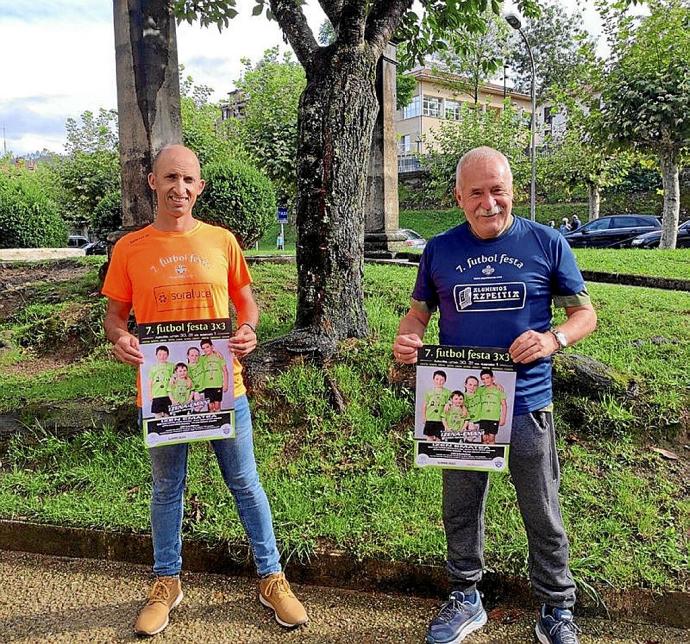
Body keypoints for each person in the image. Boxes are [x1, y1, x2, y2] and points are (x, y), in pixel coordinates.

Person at [393, 146, 597, 644]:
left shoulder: (547, 243)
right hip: (460, 406)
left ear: (512, 191)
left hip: (527, 403)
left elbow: (584, 314)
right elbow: (419, 313)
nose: (489, 203)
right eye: (477, 193)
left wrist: (554, 339)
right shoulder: (439, 250)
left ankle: (555, 607)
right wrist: (409, 339)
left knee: (542, 509)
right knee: (460, 506)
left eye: (498, 190)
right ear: (459, 197)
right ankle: (465, 596)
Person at [102, 144, 307, 636]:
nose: (180, 188)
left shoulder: (221, 240)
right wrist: (122, 339)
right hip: (163, 390)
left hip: (225, 387)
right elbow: (114, 317)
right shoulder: (130, 248)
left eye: (189, 180)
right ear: (152, 182)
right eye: (170, 178)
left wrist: (250, 330)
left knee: (246, 483)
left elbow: (246, 302)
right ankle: (166, 582)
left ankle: (271, 576)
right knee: (167, 488)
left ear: (201, 187)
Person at [477, 368, 507, 445]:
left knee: (491, 438)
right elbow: (469, 393)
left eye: (487, 378)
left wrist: (503, 418)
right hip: (483, 417)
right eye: (483, 379)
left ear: (492, 378)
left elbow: (504, 405)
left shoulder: (498, 389)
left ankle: (491, 454)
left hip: (494, 418)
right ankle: (483, 455)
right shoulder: (480, 390)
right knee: (484, 438)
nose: (485, 380)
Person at [199, 338, 228, 412]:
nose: (205, 349)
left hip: (217, 385)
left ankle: (219, 421)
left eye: (207, 347)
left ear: (212, 346)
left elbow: (225, 371)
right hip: (207, 386)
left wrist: (225, 384)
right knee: (210, 406)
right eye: (203, 348)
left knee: (217, 405)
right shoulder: (202, 359)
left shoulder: (219, 356)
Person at [423, 370, 452, 442]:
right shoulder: (428, 392)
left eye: (442, 380)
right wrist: (424, 416)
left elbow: (451, 402)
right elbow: (425, 405)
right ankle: (429, 452)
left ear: (445, 381)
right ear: (433, 379)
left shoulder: (448, 392)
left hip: (441, 419)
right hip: (430, 418)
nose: (439, 382)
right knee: (429, 437)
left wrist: (448, 403)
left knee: (439, 438)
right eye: (437, 379)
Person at [148, 345, 174, 418]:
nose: (162, 356)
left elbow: (176, 376)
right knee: (158, 415)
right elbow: (150, 382)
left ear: (168, 355)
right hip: (157, 395)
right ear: (156, 355)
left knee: (167, 415)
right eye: (160, 354)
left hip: (168, 395)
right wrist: (150, 394)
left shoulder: (171, 366)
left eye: (164, 354)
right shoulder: (153, 368)